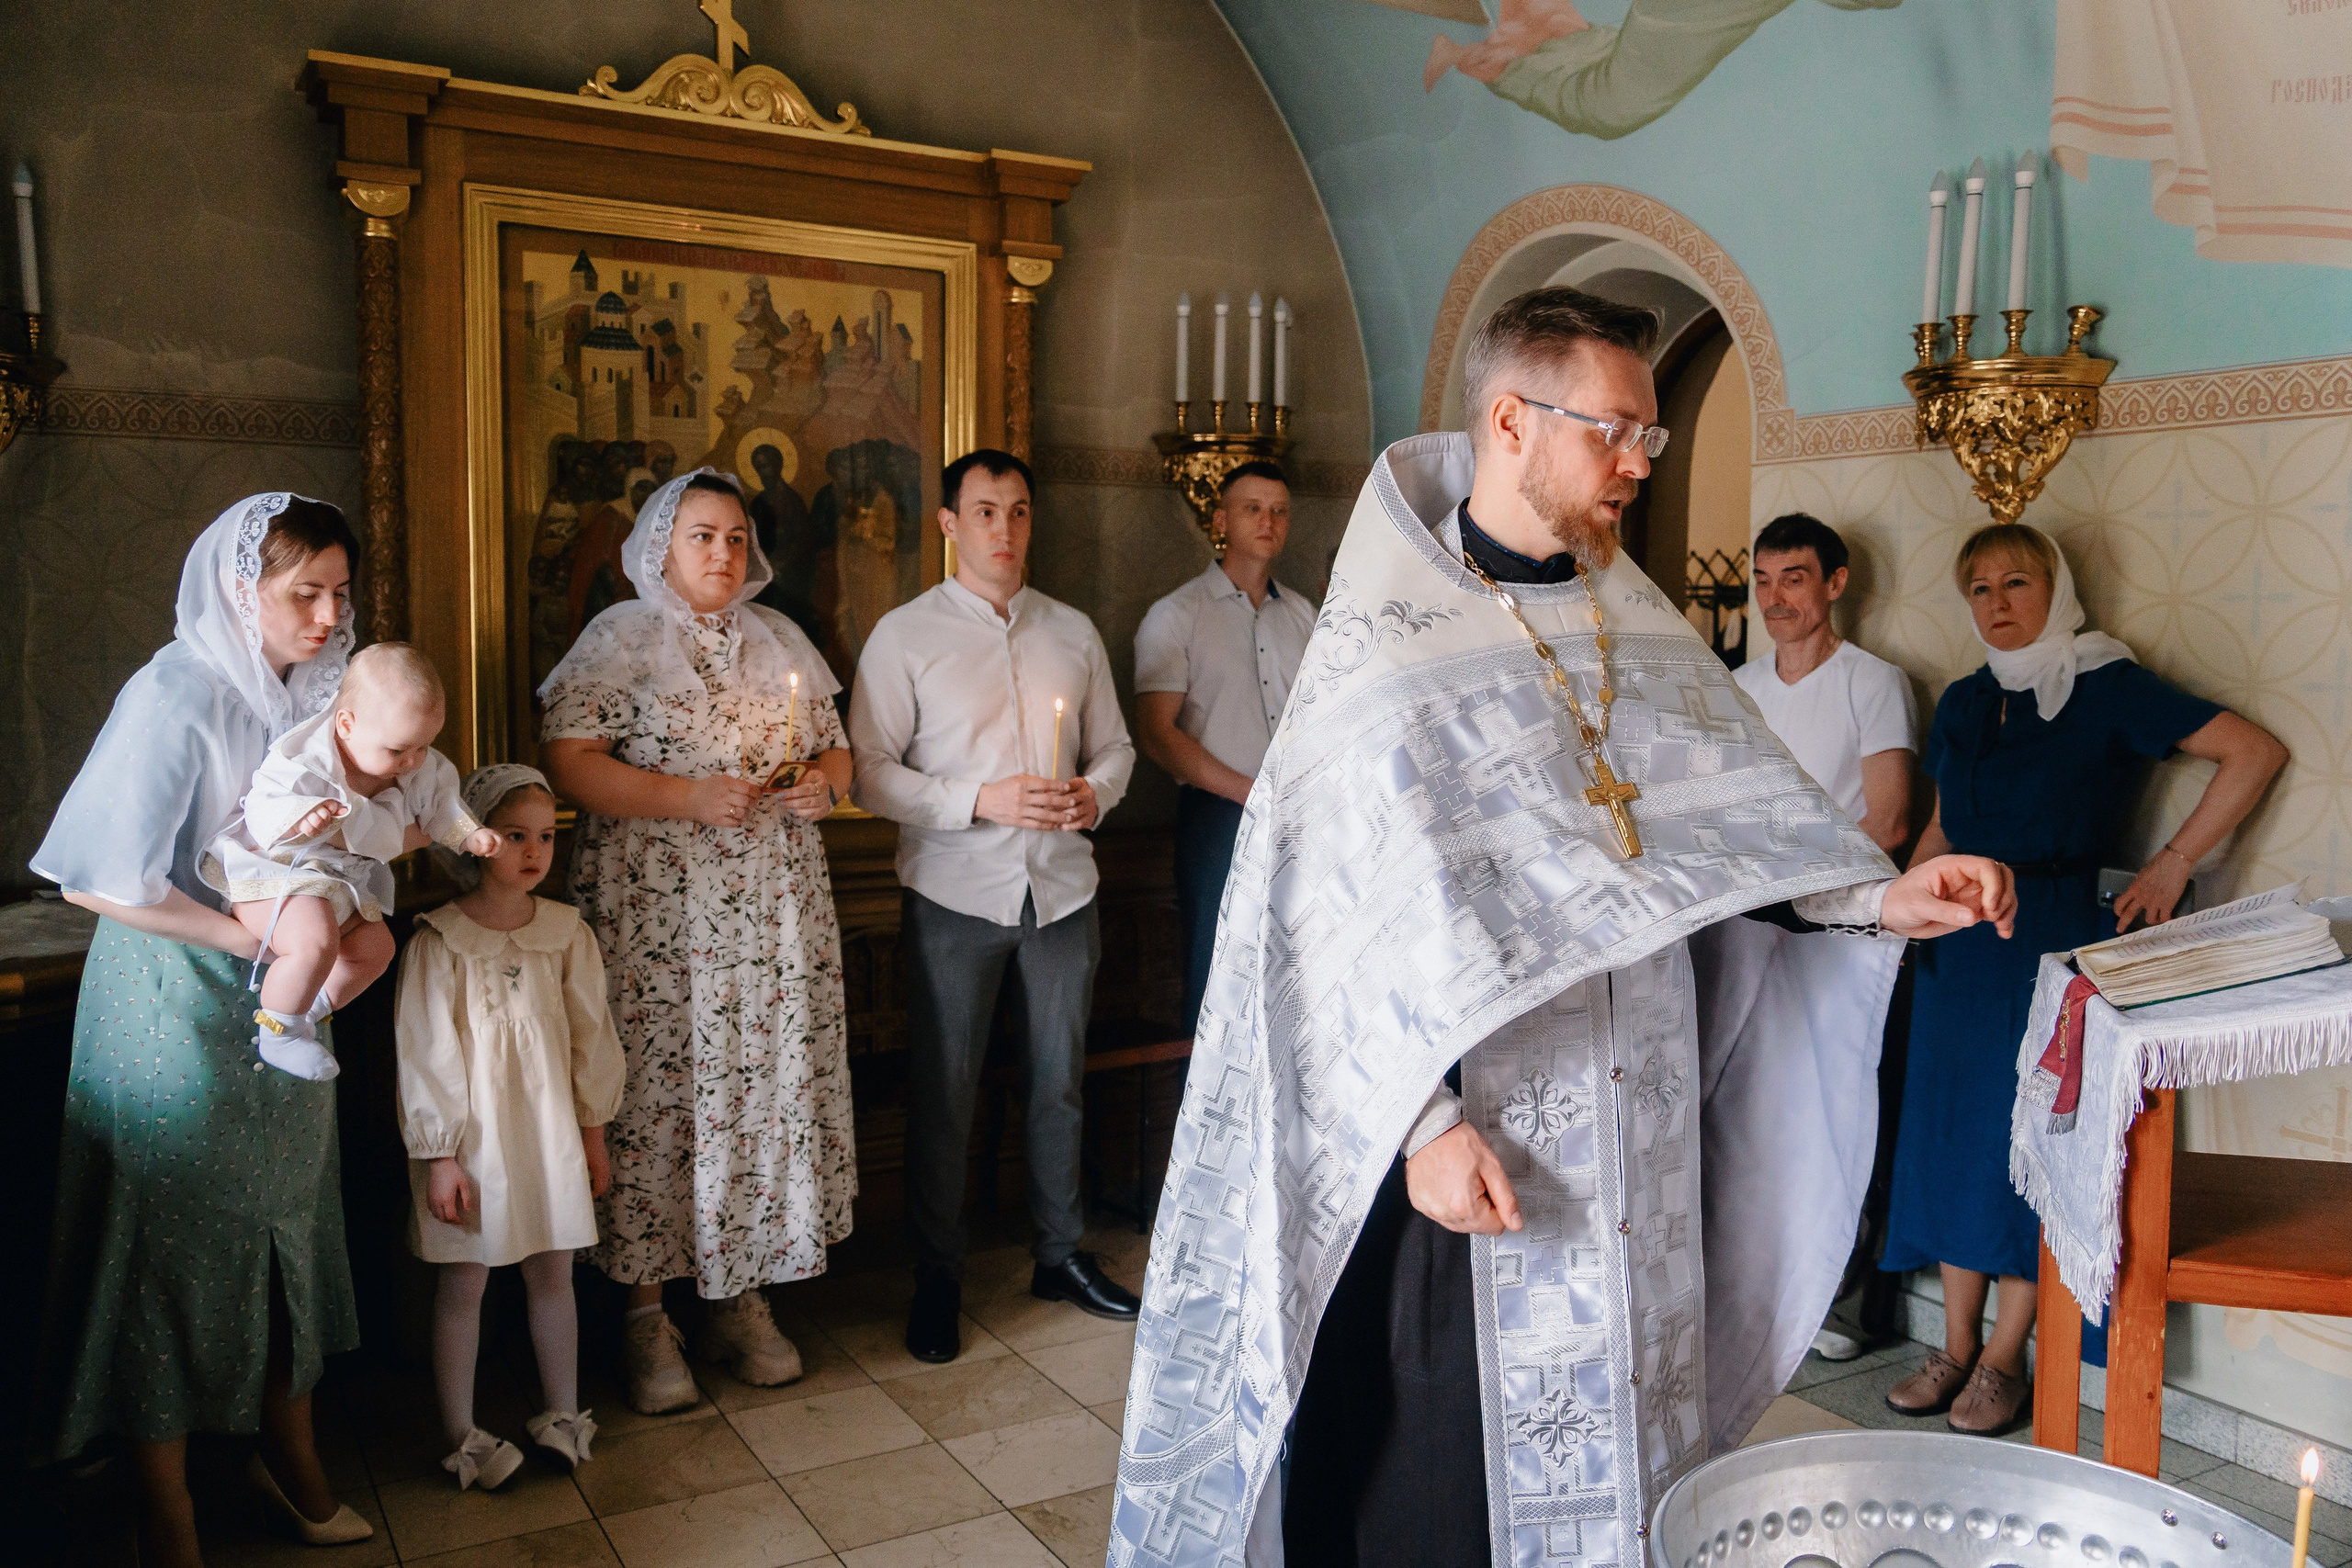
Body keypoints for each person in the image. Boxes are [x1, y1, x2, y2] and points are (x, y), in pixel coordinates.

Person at [1111, 288, 2018, 1568]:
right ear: (1510, 421)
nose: (1640, 464)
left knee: (1629, 1441)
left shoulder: (1634, 623)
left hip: (1637, 1116)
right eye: (1615, 432)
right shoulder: (1383, 649)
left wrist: (1876, 898)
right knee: (1435, 1476)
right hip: (1471, 1133)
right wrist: (1421, 1127)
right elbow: (1316, 927)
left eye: (1649, 434)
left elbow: (1729, 831)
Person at [1882, 522, 2286, 1436]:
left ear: (2056, 589)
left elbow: (2254, 752)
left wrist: (2173, 861)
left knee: (2033, 1143)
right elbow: (1942, 827)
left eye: (2016, 583)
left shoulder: (2107, 686)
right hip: (1959, 946)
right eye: (1979, 589)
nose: (1997, 604)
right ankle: (1953, 1345)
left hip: (2054, 939)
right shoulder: (1964, 699)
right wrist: (1900, 912)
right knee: (1951, 1140)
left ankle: (2005, 1356)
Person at [31, 494, 374, 1565]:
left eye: (340, 594)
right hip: (173, 995)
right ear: (241, 590)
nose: (329, 617)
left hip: (288, 988)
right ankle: (166, 1502)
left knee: (284, 1217)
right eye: (304, 594)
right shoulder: (173, 692)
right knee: (168, 1244)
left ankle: (288, 1456)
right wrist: (242, 937)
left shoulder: (323, 692)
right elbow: (93, 880)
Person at [539, 468, 856, 1416]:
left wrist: (826, 785)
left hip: (771, 913)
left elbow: (835, 746)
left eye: (734, 536)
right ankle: (646, 1313)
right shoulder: (619, 637)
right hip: (658, 912)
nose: (721, 552)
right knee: (659, 1091)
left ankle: (739, 1291)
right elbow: (571, 763)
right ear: (661, 547)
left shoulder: (781, 637)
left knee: (755, 1087)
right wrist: (687, 796)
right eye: (701, 536)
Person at [849, 448, 1142, 1364]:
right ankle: (938, 1275)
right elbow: (869, 774)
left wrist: (1094, 793)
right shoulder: (904, 636)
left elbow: (1117, 749)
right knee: (946, 1092)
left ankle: (1060, 1253)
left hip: (1062, 890)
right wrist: (980, 799)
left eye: (1017, 511)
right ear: (949, 524)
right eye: (984, 511)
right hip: (954, 893)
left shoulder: (1072, 630)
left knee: (1058, 1083)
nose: (1003, 529)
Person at [396, 765, 625, 1490]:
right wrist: (439, 1155)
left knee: (552, 1272)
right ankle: (460, 1434)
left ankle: (562, 1411)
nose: (534, 852)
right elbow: (426, 1055)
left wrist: (592, 1133)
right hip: (472, 1144)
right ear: (477, 839)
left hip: (549, 1134)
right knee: (465, 1279)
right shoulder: (440, 940)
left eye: (547, 837)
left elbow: (592, 1039)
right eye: (516, 835)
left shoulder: (565, 933)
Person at [1733, 512, 1917, 1360]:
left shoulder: (1871, 683)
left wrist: (1813, 890)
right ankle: (1768, 1285)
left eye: (1795, 578)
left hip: (1845, 923)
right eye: (1764, 580)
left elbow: (1892, 816)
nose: (1775, 598)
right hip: (1757, 919)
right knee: (1765, 1106)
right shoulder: (1740, 685)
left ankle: (1845, 1301)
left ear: (1836, 583)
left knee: (1844, 1104)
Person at [201, 642, 499, 1080]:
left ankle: (309, 1008)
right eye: (398, 751)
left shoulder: (414, 760)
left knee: (376, 949)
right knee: (315, 940)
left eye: (424, 746)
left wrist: (468, 833)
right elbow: (262, 807)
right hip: (276, 869)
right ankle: (278, 1033)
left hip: (339, 879)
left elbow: (441, 802)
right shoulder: (306, 756)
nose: (412, 762)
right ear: (346, 724)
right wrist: (300, 816)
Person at [1133, 459, 1318, 1034]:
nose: (1268, 522)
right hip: (1217, 819)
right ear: (1220, 520)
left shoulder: (1306, 617)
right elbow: (1157, 734)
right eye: (1253, 509)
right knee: (1218, 977)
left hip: (1301, 816)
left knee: (1302, 973)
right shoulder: (1176, 615)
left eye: (1280, 511)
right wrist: (1248, 792)